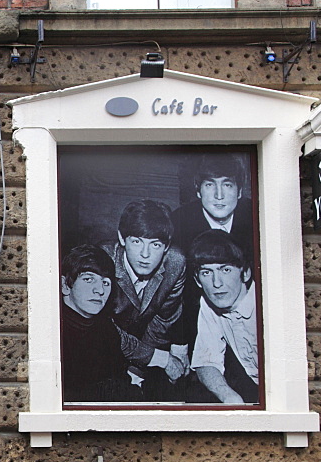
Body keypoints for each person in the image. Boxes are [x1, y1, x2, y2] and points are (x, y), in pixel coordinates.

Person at [99, 199, 188, 398]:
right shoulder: (102, 261)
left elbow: (162, 322)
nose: (145, 254)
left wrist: (138, 368)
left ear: (166, 246)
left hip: (143, 349)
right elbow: (105, 329)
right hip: (99, 348)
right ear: (122, 238)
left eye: (155, 244)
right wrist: (158, 358)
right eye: (137, 241)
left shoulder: (175, 263)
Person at [170, 155, 254, 350]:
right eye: (209, 185)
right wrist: (179, 343)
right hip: (195, 327)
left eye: (227, 185)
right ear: (198, 191)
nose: (219, 195)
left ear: (240, 191)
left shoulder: (257, 217)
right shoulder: (179, 223)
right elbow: (176, 295)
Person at [188, 230, 260, 404]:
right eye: (206, 272)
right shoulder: (209, 304)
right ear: (197, 280)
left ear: (245, 273)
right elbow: (206, 361)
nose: (217, 283)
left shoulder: (265, 303)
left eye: (225, 270)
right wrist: (230, 397)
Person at [60, 244, 134, 403]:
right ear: (65, 285)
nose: (100, 290)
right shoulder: (55, 333)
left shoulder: (106, 329)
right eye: (88, 279)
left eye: (106, 282)